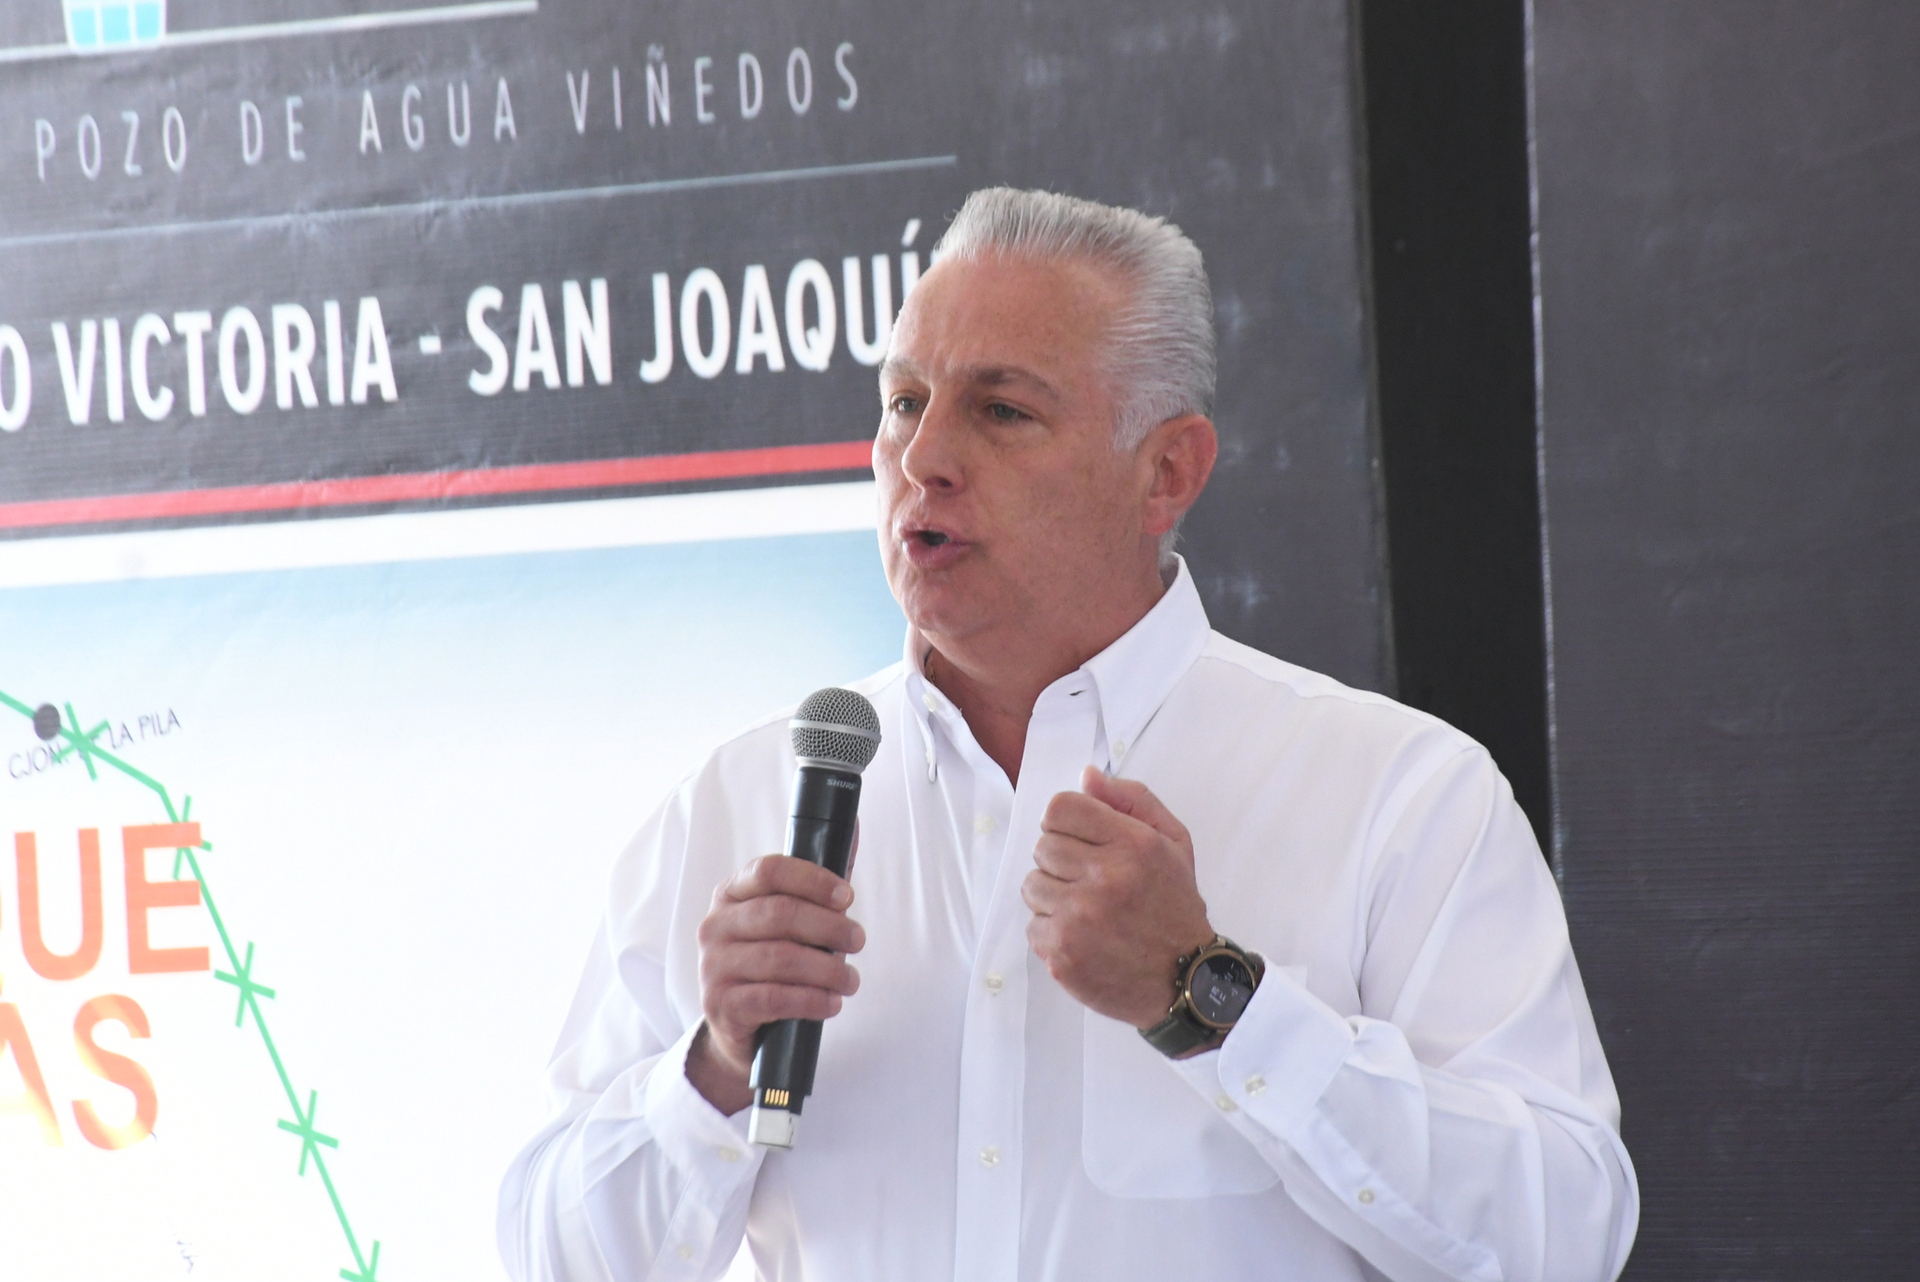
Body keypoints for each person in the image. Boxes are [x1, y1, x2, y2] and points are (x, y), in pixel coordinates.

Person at [497, 188, 1639, 1282]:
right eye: (903, 402)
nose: (924, 459)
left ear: (1167, 472)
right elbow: (551, 1257)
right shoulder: (736, 803)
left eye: (1001, 410)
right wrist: (713, 1069)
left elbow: (1564, 1238)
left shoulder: (1398, 796)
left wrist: (1211, 1000)